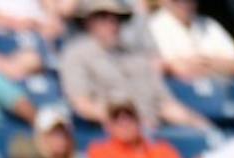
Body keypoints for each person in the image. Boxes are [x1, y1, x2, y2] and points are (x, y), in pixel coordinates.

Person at [59, 0, 204, 131]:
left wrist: (200, 125)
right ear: (88, 21)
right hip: (110, 135)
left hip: (152, 133)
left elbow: (165, 105)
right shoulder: (76, 55)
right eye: (102, 17)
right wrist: (125, 121)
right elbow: (83, 105)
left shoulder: (137, 57)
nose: (111, 23)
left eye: (116, 17)